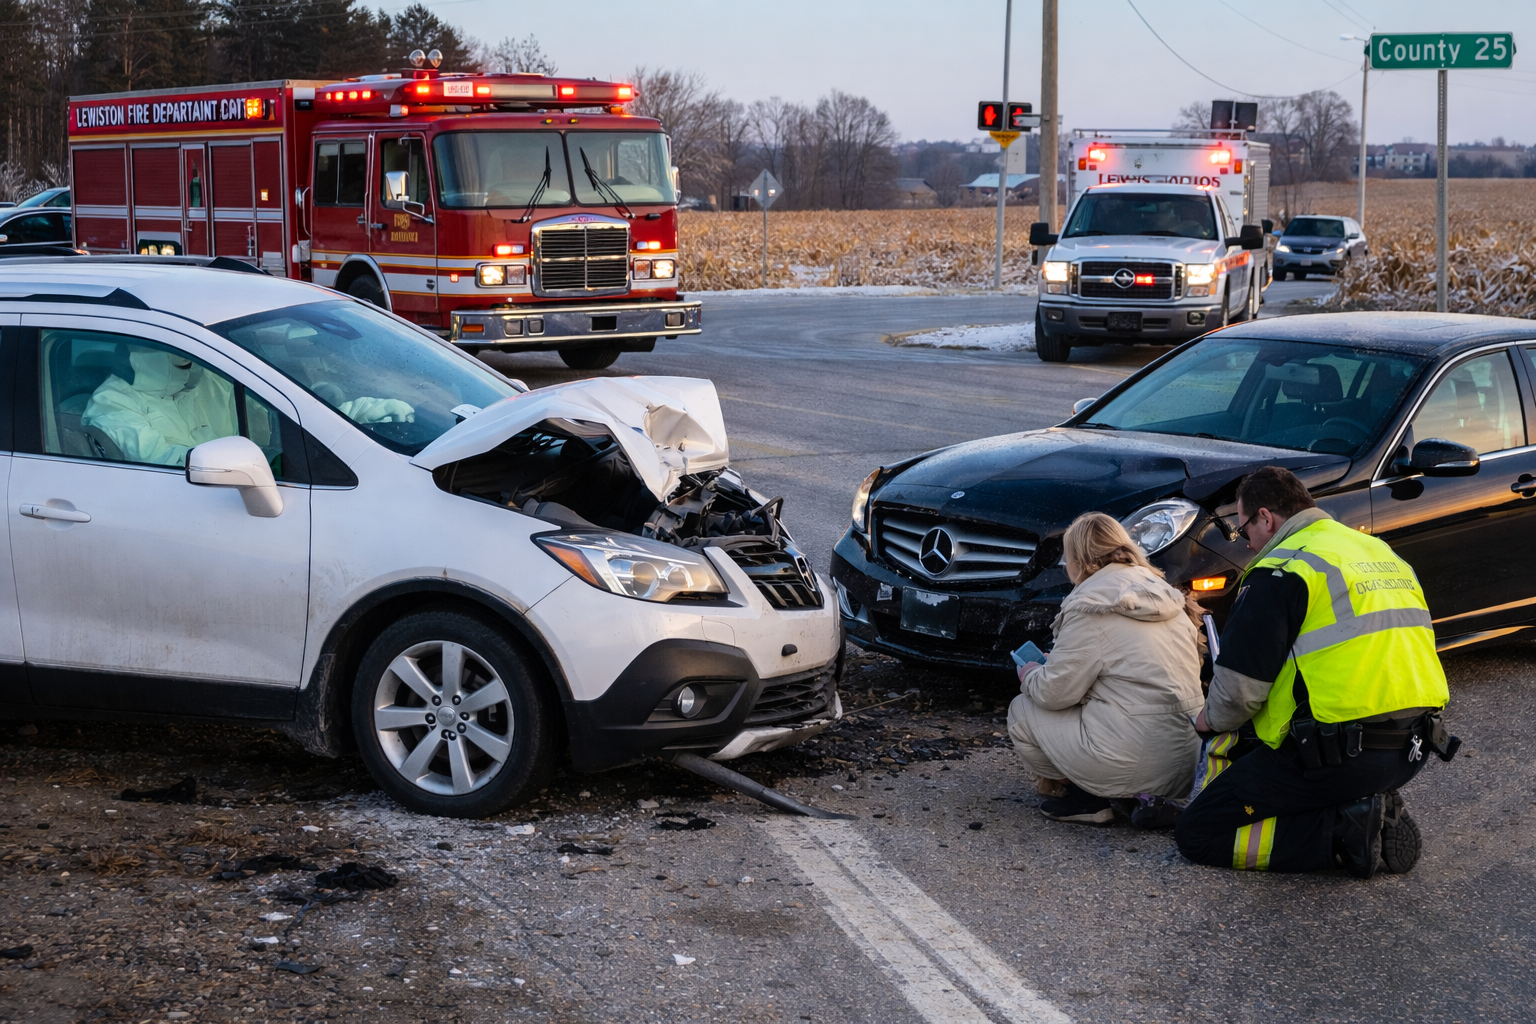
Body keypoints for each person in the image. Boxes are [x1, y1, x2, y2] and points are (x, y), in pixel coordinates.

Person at [1175, 466, 1451, 878]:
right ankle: (1361, 803)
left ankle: (1348, 833)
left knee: (1198, 832)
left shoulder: (1282, 569)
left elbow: (1239, 692)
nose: (1246, 542)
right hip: (1412, 747)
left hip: (1336, 756)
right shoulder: (1378, 552)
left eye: (1243, 529)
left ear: (1266, 518)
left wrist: (1206, 719)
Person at [1008, 512, 1205, 824]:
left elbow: (1054, 694)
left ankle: (1086, 798)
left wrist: (1030, 673)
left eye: (1066, 558)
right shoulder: (1163, 593)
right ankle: (1141, 795)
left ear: (1079, 560)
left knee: (1022, 710)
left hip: (1133, 760)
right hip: (1188, 764)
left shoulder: (1091, 603)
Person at [82, 348, 237, 466]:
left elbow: (257, 426)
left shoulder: (216, 381)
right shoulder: (112, 400)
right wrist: (232, 461)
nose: (190, 356)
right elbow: (160, 461)